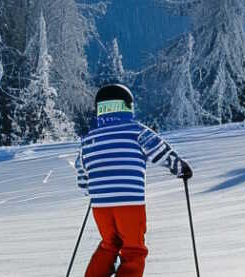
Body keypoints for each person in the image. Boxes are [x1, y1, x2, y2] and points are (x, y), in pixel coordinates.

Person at [78, 85, 194, 277]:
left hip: (100, 206)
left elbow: (82, 170)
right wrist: (179, 167)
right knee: (133, 249)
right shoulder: (136, 131)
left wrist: (90, 189)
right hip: (129, 203)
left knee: (109, 244)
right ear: (127, 106)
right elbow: (159, 150)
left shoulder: (89, 139)